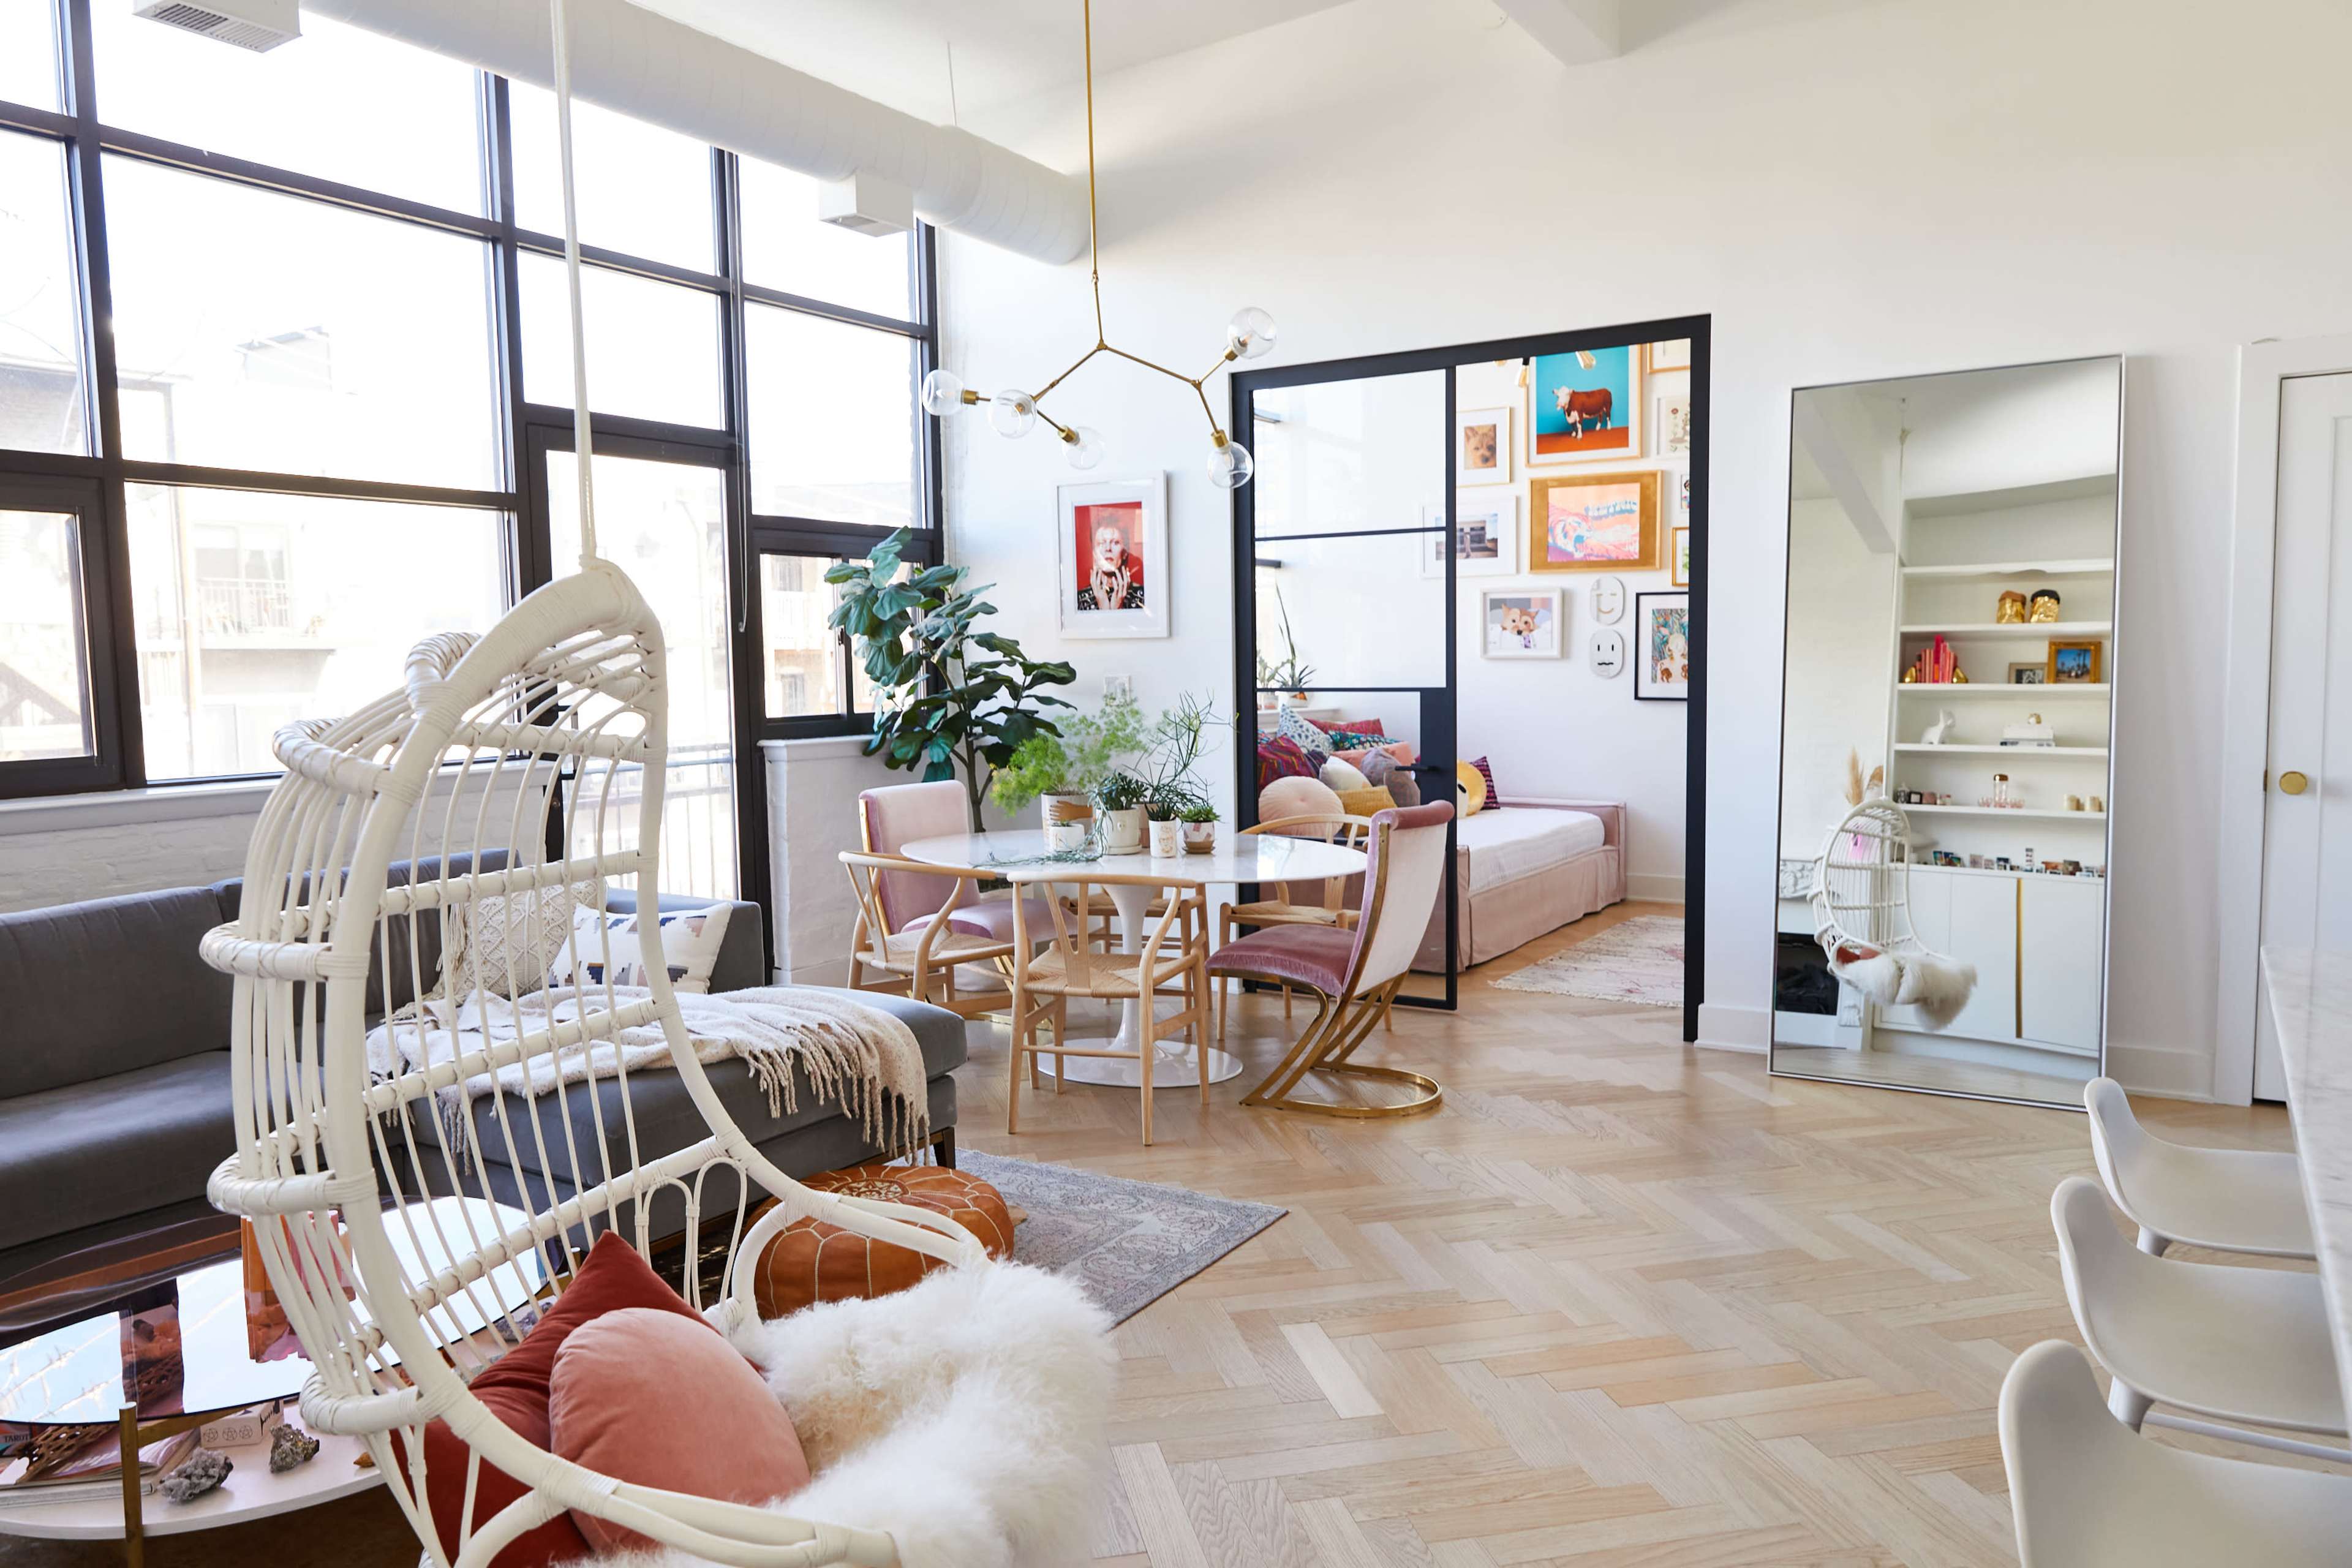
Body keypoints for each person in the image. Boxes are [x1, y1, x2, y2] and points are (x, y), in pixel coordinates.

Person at [1075, 518, 1145, 611]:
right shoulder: (1079, 601)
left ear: (1124, 553)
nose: (1108, 548)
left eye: (1115, 543)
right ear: (1095, 554)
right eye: (1101, 543)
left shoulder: (1144, 597)